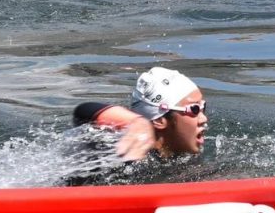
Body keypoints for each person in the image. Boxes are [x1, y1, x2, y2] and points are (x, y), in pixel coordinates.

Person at [72, 66, 208, 161]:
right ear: (159, 120)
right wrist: (137, 122)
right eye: (194, 109)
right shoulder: (122, 152)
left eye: (203, 107)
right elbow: (83, 111)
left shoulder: (182, 158)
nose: (203, 119)